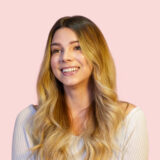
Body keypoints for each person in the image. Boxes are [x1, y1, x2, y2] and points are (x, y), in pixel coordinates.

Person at [12, 15, 149, 160]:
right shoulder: (29, 120)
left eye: (77, 48)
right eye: (56, 50)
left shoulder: (130, 120)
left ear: (96, 54)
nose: (65, 57)